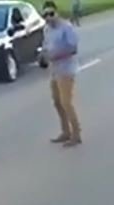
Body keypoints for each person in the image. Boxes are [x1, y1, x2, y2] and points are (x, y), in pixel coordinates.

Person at [40, 0, 81, 147]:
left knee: (66, 102)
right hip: (55, 70)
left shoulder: (66, 28)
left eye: (51, 14)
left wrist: (55, 56)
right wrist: (43, 56)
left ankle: (76, 134)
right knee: (57, 102)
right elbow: (46, 46)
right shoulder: (47, 30)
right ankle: (65, 131)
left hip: (66, 69)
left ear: (57, 12)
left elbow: (73, 49)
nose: (49, 18)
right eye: (45, 15)